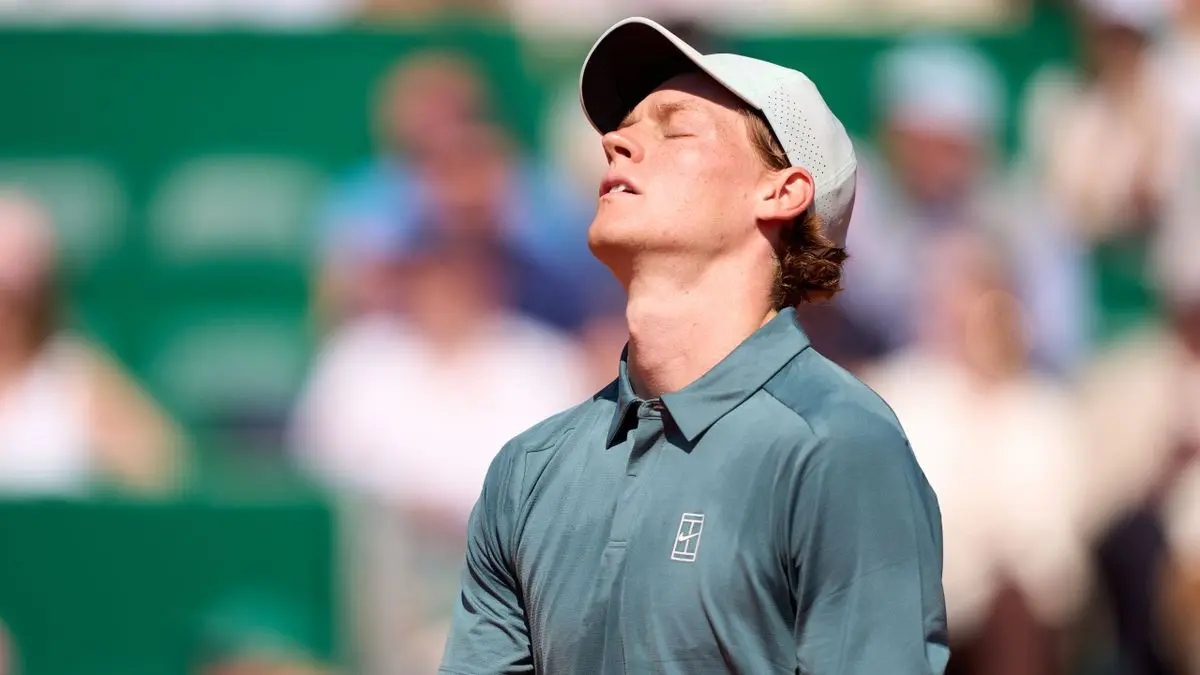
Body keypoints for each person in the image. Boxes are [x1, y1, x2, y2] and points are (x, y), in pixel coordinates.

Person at [439, 17, 947, 674]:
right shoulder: (525, 471)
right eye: (623, 128)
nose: (614, 142)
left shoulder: (841, 445)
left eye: (674, 129)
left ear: (781, 191)